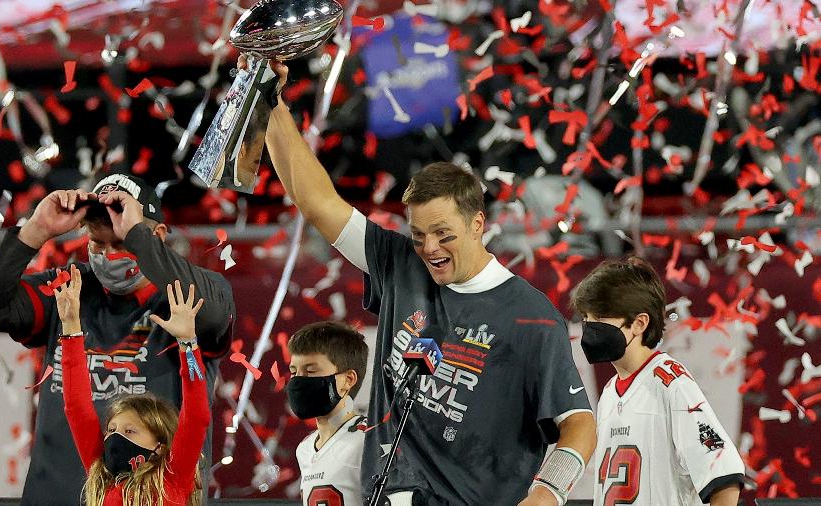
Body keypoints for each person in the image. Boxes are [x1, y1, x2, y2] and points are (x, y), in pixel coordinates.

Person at [248, 55, 597, 505]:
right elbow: (315, 200)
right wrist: (271, 101)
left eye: (444, 234)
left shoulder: (530, 317)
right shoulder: (400, 264)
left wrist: (548, 493)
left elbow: (578, 422)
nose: (430, 248)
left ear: (478, 224)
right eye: (418, 235)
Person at [0, 173, 235, 504]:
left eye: (120, 243)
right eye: (97, 242)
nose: (107, 255)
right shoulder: (68, 290)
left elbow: (214, 316)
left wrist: (138, 237)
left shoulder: (191, 298)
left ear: (157, 235)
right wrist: (34, 232)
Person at [570, 257, 746, 506]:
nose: (589, 328)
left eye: (599, 318)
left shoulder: (671, 383)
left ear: (639, 323)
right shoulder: (610, 393)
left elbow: (723, 475)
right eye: (586, 318)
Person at [56, 267, 209, 505]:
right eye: (112, 430)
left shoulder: (172, 479)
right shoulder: (102, 479)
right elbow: (77, 408)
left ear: (159, 447)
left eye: (130, 431)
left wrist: (188, 343)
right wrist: (70, 327)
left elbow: (197, 416)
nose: (115, 438)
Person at [286, 321, 368, 506]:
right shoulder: (305, 449)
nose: (298, 380)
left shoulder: (370, 439)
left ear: (348, 380)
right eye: (293, 372)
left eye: (311, 371)